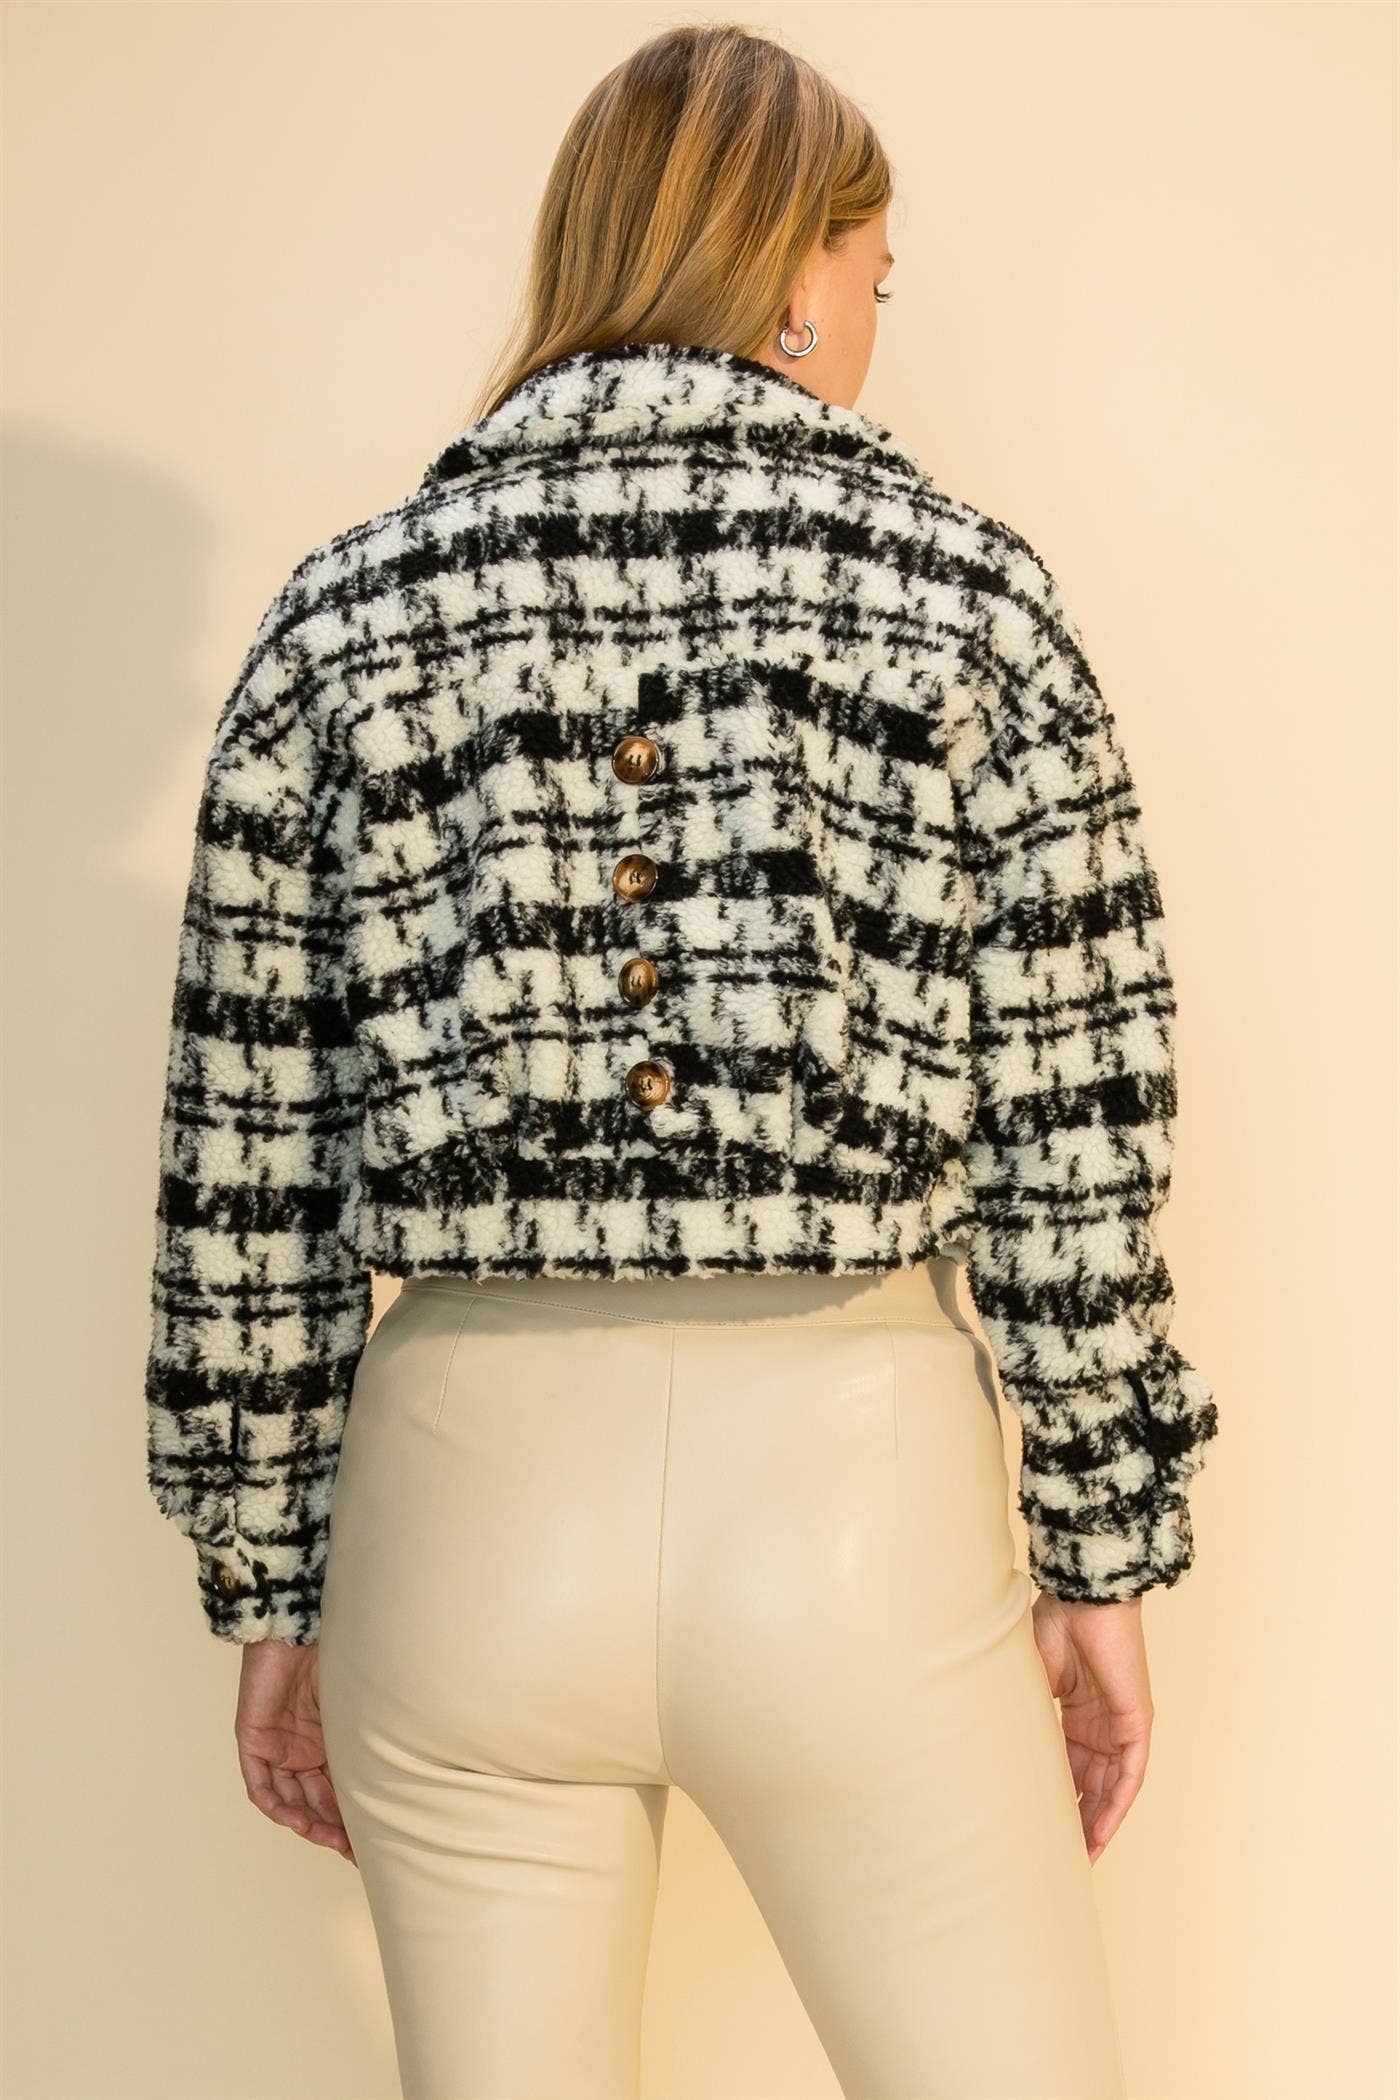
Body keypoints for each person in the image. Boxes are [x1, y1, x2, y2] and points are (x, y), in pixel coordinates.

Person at [142, 21, 1219, 2099]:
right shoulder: (967, 601)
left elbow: (246, 1163)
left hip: (458, 1509)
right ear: (797, 272)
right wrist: (1102, 1537)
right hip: (854, 1494)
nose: (868, 331)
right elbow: (1074, 1123)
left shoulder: (338, 621)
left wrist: (271, 1574)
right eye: (874, 282)